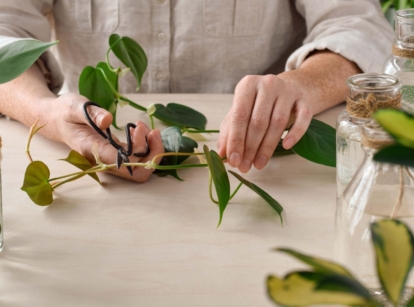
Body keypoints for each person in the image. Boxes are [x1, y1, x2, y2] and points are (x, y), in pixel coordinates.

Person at [0, 0, 394, 181]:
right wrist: (43, 113)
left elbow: (357, 26)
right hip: (86, 176)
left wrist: (302, 84)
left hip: (260, 170)